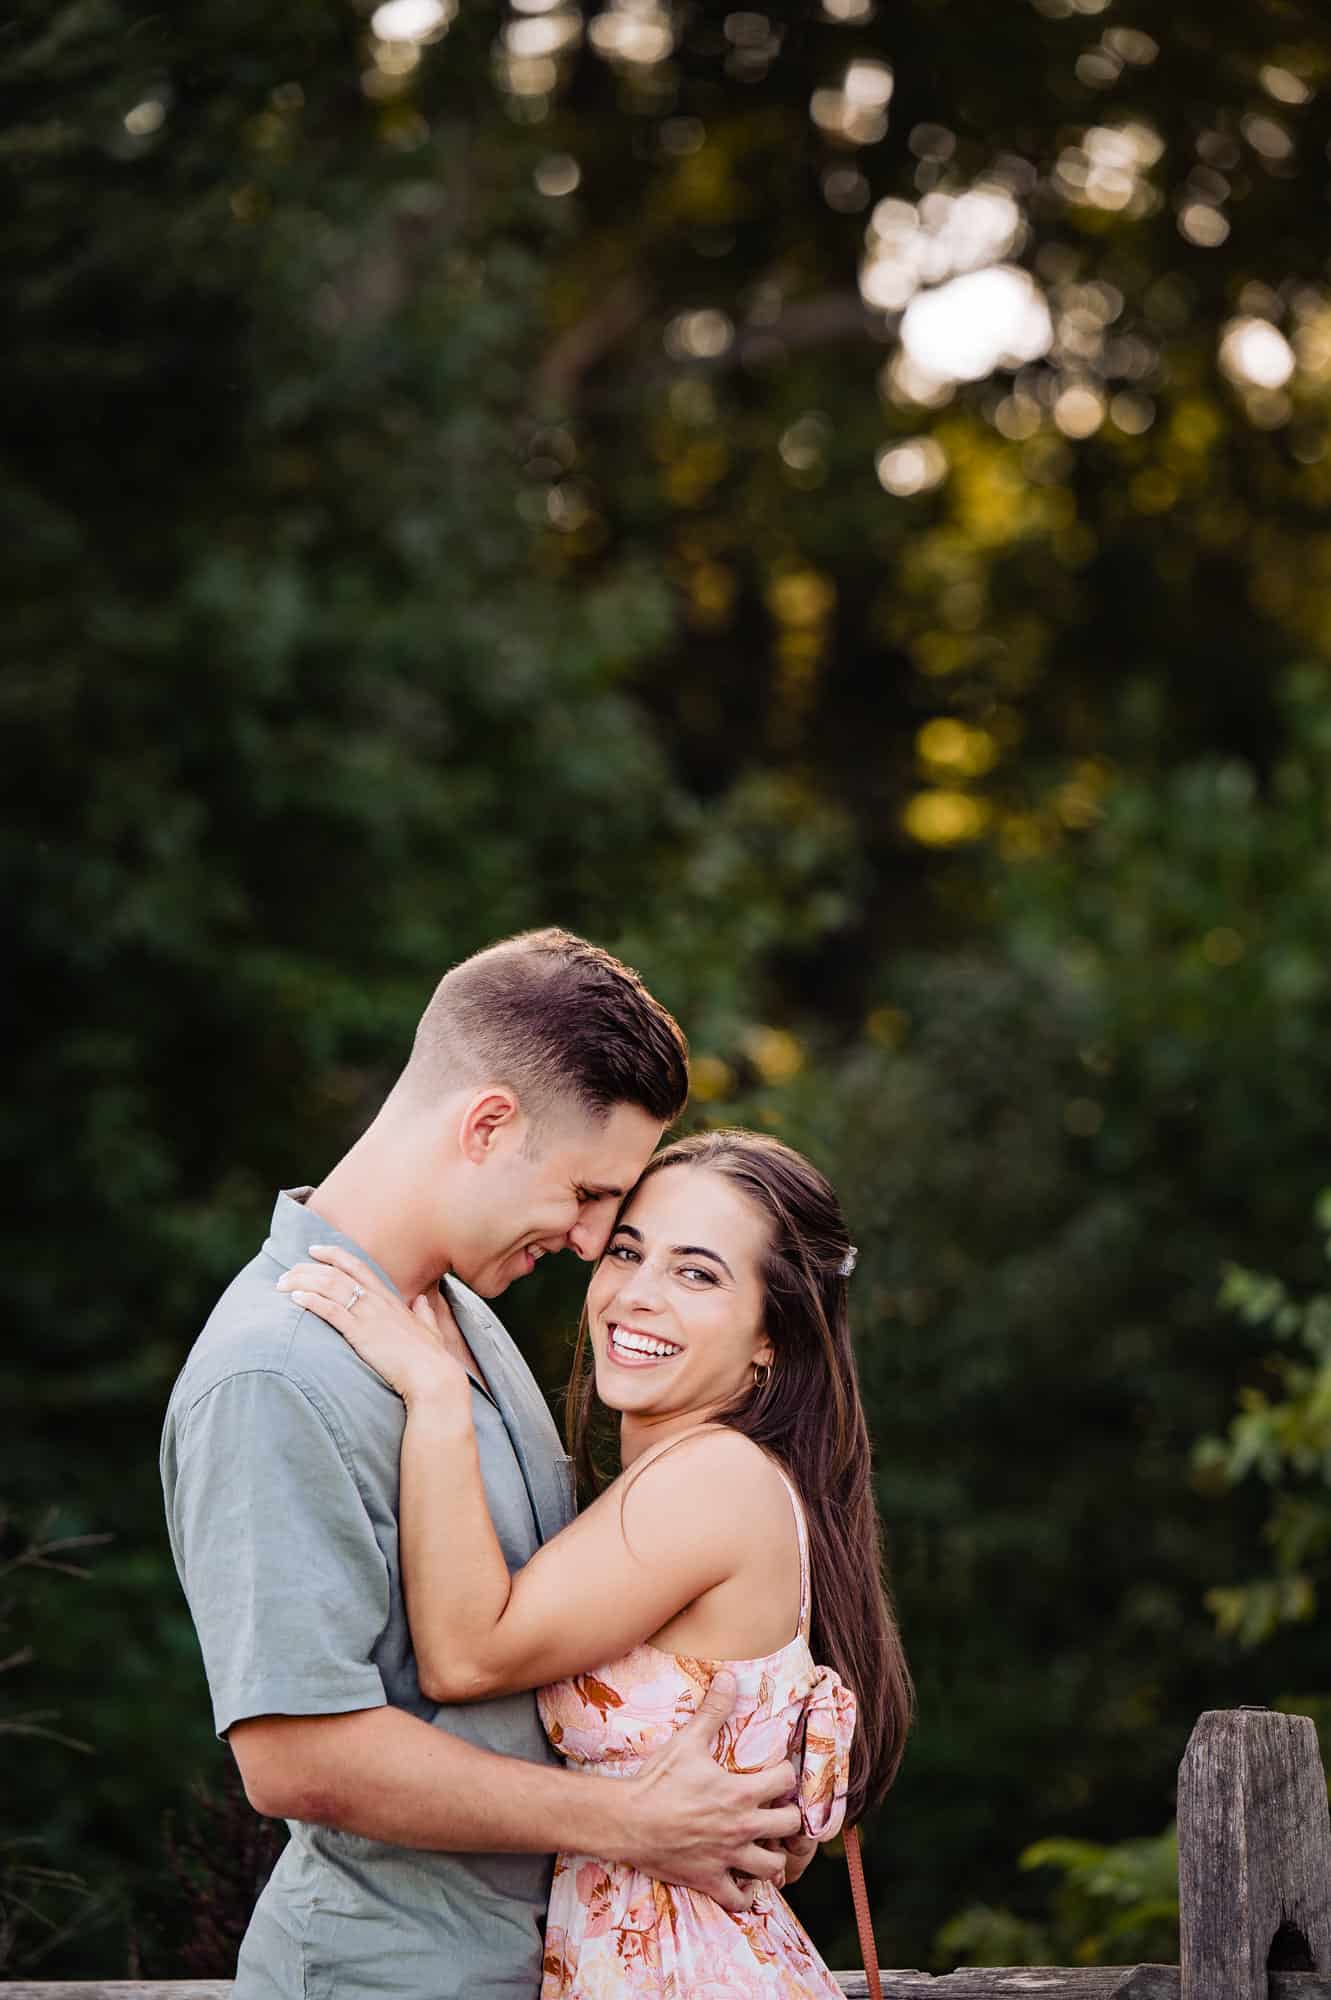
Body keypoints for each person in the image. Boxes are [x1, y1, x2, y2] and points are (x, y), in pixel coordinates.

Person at [161, 931, 808, 2000]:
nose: (597, 1239)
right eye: (589, 1191)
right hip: (387, 1975)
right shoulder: (272, 1372)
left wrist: (734, 1804)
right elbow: (296, 1759)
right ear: (488, 1123)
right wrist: (635, 1823)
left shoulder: (463, 1313)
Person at [283, 1127, 913, 1998]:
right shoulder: (704, 1478)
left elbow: (467, 1654)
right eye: (627, 1252)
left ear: (774, 1335)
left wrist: (434, 1397)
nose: (635, 1296)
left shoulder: (713, 1479)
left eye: (697, 1273)